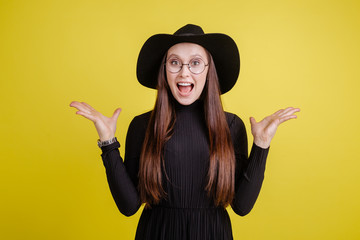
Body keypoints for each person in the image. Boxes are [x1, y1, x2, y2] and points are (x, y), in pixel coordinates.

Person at [70, 24, 300, 240]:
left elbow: (242, 207)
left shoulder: (231, 126)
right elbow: (128, 207)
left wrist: (261, 144)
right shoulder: (142, 126)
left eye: (196, 63)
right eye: (175, 62)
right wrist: (108, 143)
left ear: (209, 71)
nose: (184, 73)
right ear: (164, 70)